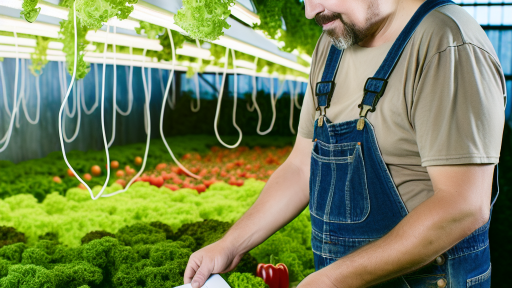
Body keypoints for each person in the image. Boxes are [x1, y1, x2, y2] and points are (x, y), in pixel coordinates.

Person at [184, 0, 506, 287]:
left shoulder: (446, 43)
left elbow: (462, 206)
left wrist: (334, 278)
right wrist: (230, 245)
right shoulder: (332, 47)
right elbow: (301, 168)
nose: (310, 10)